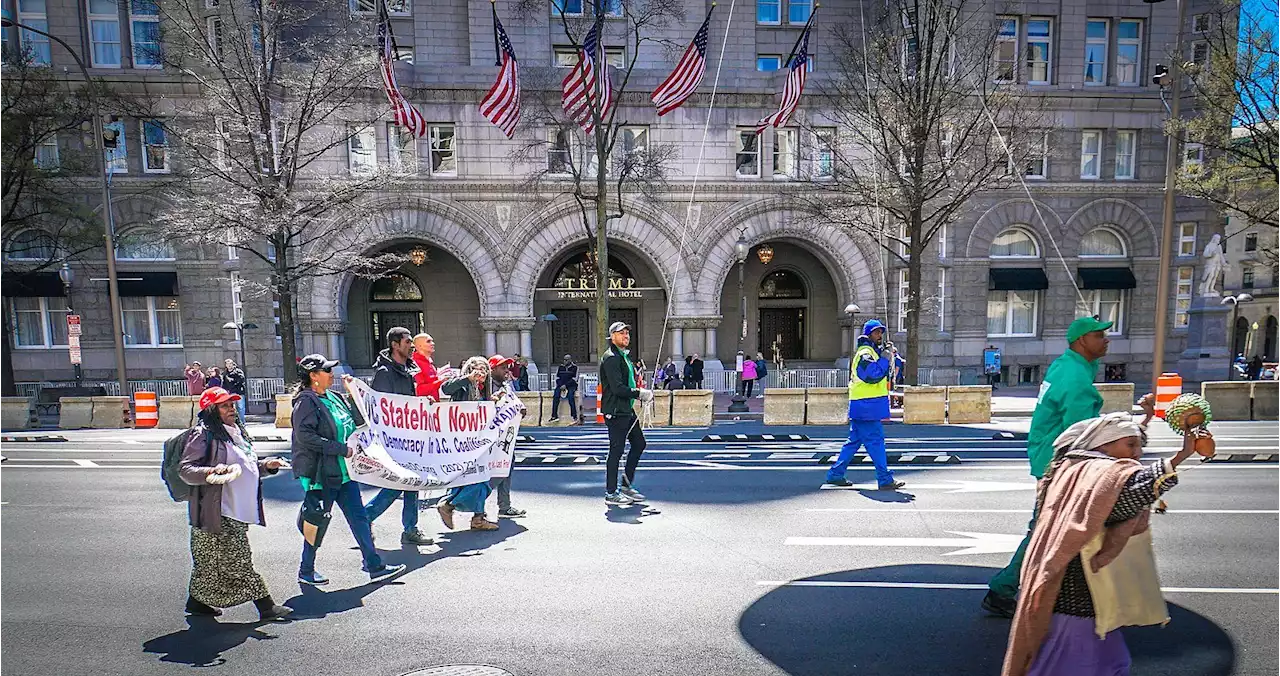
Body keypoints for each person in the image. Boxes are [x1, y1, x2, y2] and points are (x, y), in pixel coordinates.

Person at [1002, 411, 1202, 676]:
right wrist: (1180, 456)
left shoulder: (1076, 467)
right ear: (1102, 444)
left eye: (1140, 446)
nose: (1137, 453)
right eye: (1130, 445)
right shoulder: (1092, 470)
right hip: (1076, 593)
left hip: (1082, 592)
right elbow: (1124, 498)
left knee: (1105, 663)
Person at [983, 316, 1113, 618]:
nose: (1106, 340)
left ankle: (1022, 590)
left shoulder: (1068, 366)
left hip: (1049, 457)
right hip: (1060, 462)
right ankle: (1006, 588)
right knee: (1047, 529)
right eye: (1099, 335)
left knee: (1050, 528)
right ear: (1081, 341)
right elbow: (1081, 434)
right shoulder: (1076, 377)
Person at [292, 354, 407, 585]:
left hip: (345, 472)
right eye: (326, 370)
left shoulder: (334, 397)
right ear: (313, 376)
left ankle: (374, 566)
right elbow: (305, 437)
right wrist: (340, 449)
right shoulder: (305, 402)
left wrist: (353, 395)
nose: (331, 373)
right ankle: (306, 570)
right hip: (322, 475)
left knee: (359, 518)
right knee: (317, 522)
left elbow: (357, 421)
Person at [179, 386, 291, 621]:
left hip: (238, 509)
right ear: (211, 410)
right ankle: (266, 606)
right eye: (225, 405)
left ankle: (197, 602)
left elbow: (246, 465)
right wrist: (212, 471)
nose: (231, 409)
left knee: (208, 563)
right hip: (218, 511)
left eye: (232, 404)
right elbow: (186, 469)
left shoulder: (236, 431)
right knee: (238, 561)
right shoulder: (202, 434)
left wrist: (265, 467)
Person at [363, 327, 433, 546]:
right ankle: (365, 517)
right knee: (401, 484)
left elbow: (407, 402)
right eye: (407, 342)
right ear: (395, 345)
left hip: (410, 437)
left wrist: (422, 404)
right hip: (395, 440)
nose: (411, 345)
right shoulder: (385, 373)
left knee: (413, 482)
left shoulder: (407, 369)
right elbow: (383, 407)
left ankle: (410, 528)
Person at [824, 319, 905, 493]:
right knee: (876, 442)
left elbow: (883, 370)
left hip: (864, 405)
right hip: (867, 406)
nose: (880, 335)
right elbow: (873, 374)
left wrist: (887, 355)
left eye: (881, 332)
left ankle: (835, 474)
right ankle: (884, 479)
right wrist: (885, 357)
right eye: (876, 332)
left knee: (853, 443)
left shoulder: (870, 352)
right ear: (868, 334)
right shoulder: (865, 352)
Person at [437, 357, 499, 531]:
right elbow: (446, 388)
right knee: (476, 480)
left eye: (484, 371)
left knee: (479, 478)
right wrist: (467, 379)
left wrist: (492, 402)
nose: (481, 374)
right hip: (461, 441)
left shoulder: (483, 391)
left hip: (478, 441)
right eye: (477, 370)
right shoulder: (463, 385)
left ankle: (478, 517)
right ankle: (449, 505)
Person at [601, 322, 653, 505]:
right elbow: (617, 388)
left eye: (627, 333)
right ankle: (611, 493)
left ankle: (625, 484)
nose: (626, 336)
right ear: (612, 336)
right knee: (616, 451)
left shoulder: (623, 357)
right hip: (615, 411)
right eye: (621, 333)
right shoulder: (611, 358)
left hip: (625, 409)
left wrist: (638, 393)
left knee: (639, 443)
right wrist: (639, 393)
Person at [487, 355, 527, 518]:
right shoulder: (487, 386)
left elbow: (514, 400)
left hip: (505, 437)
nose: (507, 371)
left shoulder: (506, 385)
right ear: (493, 369)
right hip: (490, 437)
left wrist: (521, 407)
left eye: (507, 367)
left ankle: (504, 506)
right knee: (495, 471)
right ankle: (467, 501)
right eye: (503, 368)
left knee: (506, 466)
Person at [411, 333, 445, 401]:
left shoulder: (429, 363)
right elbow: (419, 390)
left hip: (434, 406)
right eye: (428, 341)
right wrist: (440, 381)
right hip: (422, 407)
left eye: (432, 341)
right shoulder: (414, 363)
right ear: (419, 346)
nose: (433, 343)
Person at [550, 354, 579, 422]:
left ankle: (574, 416)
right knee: (556, 396)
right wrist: (561, 385)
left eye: (566, 360)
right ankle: (554, 415)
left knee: (571, 397)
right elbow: (557, 378)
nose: (565, 361)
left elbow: (575, 379)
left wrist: (566, 385)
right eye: (564, 359)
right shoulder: (560, 367)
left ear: (570, 360)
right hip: (561, 385)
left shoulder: (575, 367)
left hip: (571, 385)